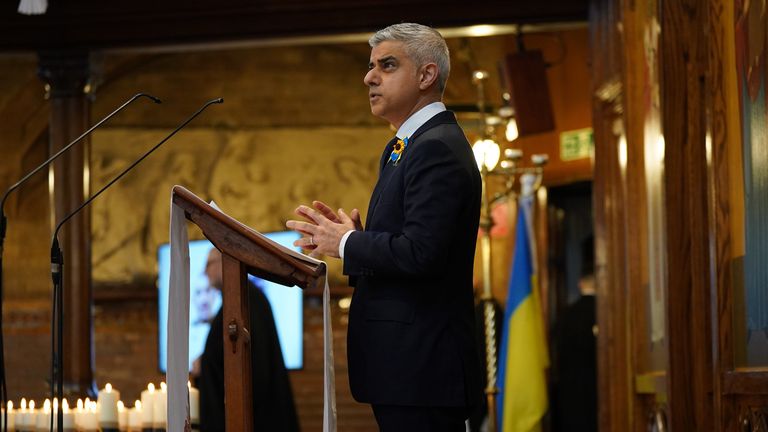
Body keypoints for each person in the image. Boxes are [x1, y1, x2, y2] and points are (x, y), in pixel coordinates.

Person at [286, 23, 482, 431]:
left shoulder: (435, 148)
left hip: (423, 368)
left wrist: (350, 243)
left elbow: (423, 254)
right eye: (370, 66)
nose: (369, 77)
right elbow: (410, 250)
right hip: (406, 368)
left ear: (426, 76)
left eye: (387, 65)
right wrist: (357, 242)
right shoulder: (404, 147)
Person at [197, 247, 300, 432]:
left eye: (208, 265)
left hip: (257, 419)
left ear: (225, 262)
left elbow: (251, 363)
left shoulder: (246, 300)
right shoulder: (235, 300)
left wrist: (203, 362)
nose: (205, 272)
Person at [552, 236, 597, 432]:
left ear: (580, 283)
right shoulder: (606, 314)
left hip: (570, 399)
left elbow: (556, 355)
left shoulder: (565, 316)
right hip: (598, 396)